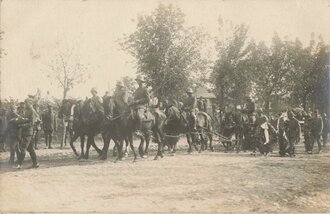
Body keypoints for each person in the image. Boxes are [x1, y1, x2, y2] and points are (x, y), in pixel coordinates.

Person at [16, 99, 39, 169]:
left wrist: (21, 125)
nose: (25, 104)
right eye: (25, 103)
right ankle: (36, 163)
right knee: (30, 149)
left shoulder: (32, 111)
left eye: (26, 103)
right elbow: (25, 119)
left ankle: (19, 165)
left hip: (28, 132)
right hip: (26, 132)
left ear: (30, 103)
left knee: (23, 148)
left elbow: (31, 123)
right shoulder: (27, 110)